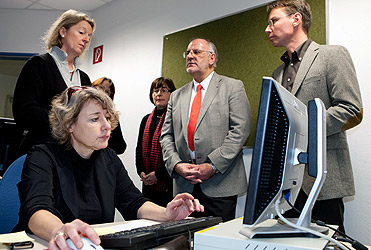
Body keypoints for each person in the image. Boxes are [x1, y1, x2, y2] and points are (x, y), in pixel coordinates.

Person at [15, 87, 204, 250]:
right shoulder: (43, 156)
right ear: (69, 124)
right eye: (94, 119)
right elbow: (36, 210)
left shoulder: (108, 158)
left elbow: (133, 202)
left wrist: (167, 213)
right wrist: (60, 230)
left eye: (107, 118)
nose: (107, 126)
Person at [265, 0, 363, 233]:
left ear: (296, 19)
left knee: (330, 244)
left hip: (324, 179)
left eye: (274, 21)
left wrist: (302, 127)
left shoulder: (332, 55)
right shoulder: (276, 74)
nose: (268, 29)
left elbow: (351, 108)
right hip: (287, 186)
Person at [160, 38, 251, 222]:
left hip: (221, 185)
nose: (190, 56)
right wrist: (177, 165)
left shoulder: (232, 87)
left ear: (212, 58)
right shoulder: (176, 96)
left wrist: (213, 165)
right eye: (188, 53)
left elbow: (240, 130)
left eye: (196, 52)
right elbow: (166, 137)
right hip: (184, 189)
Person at [12, 9, 95, 156]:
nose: (86, 39)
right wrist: (68, 120)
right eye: (81, 32)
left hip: (72, 158)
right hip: (41, 153)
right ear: (62, 31)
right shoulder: (38, 65)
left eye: (89, 36)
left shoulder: (84, 79)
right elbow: (24, 112)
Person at [135, 77, 176, 207]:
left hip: (167, 183)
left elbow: (177, 151)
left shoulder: (175, 118)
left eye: (164, 90)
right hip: (147, 183)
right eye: (156, 90)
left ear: (172, 94)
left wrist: (158, 175)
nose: (159, 94)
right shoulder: (146, 119)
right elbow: (139, 149)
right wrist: (141, 171)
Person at [92, 77, 127, 154]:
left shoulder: (112, 116)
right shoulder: (82, 112)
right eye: (101, 87)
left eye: (107, 91)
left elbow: (121, 147)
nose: (103, 92)